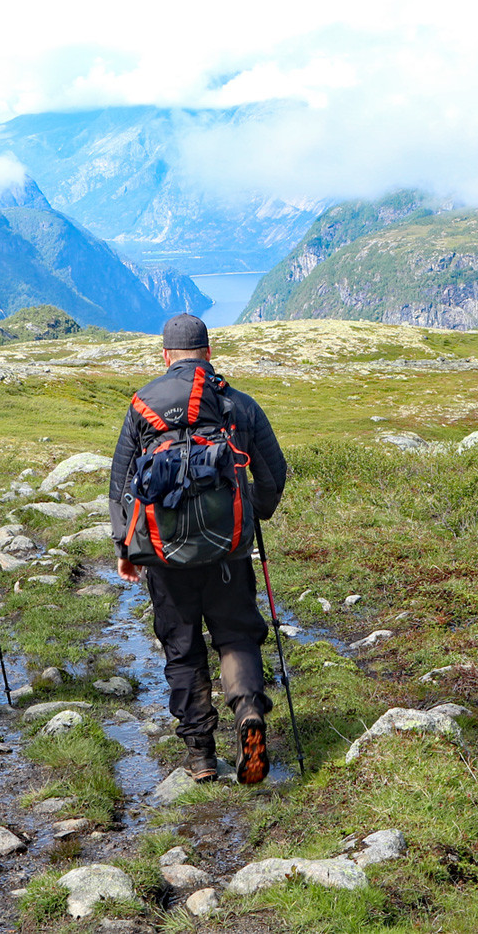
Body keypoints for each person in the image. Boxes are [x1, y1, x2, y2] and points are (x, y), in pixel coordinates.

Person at [111, 314, 288, 784]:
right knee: (235, 635)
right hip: (228, 548)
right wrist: (250, 516)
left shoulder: (141, 406)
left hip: (166, 555)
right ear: (208, 353)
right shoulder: (238, 404)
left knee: (183, 648)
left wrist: (125, 547)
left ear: (166, 356)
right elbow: (274, 473)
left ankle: (201, 757)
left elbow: (121, 485)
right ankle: (249, 712)